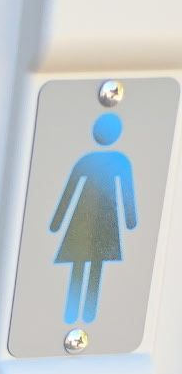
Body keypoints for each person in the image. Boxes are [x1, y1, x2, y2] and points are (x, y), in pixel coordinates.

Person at [50, 113, 138, 326]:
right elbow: (71, 190)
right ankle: (79, 314)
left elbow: (125, 194)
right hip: (93, 218)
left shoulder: (94, 160)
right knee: (88, 265)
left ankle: (80, 314)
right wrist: (129, 221)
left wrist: (57, 223)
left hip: (96, 218)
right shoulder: (114, 161)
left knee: (85, 264)